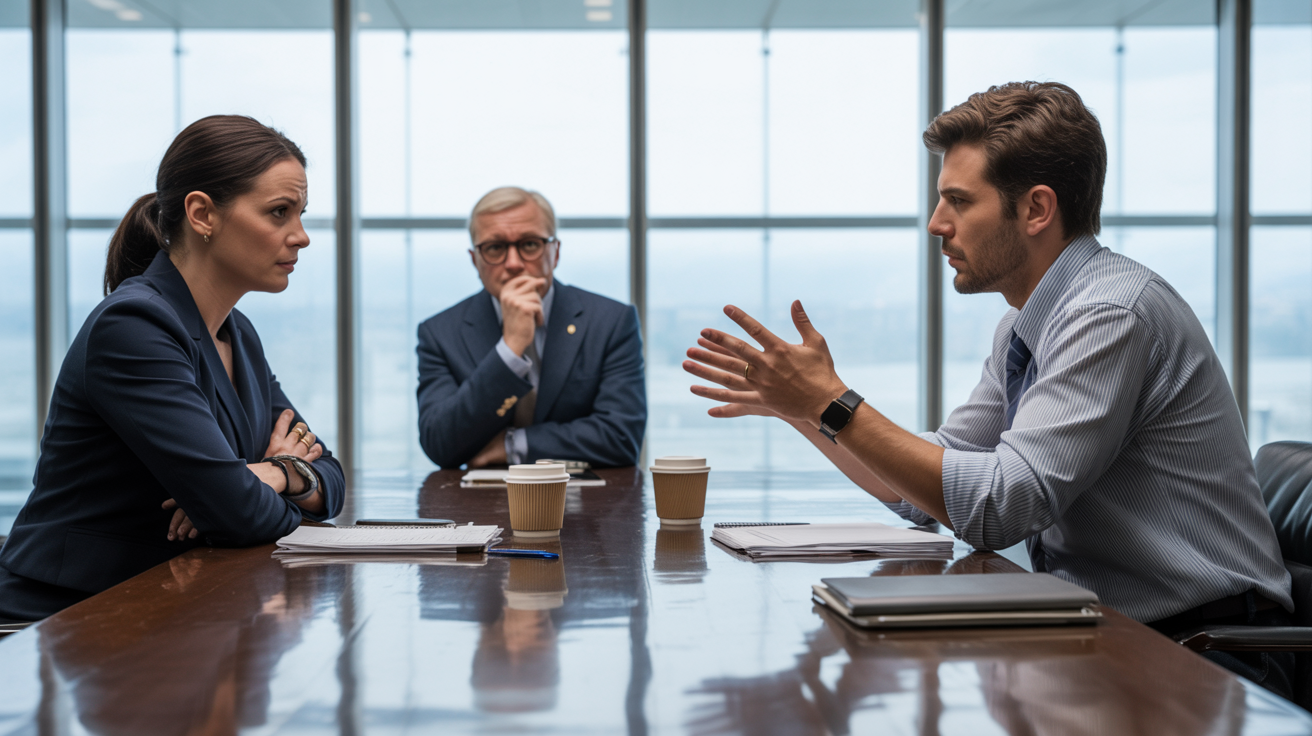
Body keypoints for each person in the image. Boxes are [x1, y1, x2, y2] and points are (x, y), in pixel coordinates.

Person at [682, 82, 1293, 690]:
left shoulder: (1111, 313)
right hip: (1109, 637)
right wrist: (804, 409)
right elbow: (922, 489)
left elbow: (999, 507)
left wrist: (829, 402)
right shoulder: (1027, 323)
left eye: (958, 201)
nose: (935, 223)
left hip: (1204, 656)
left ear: (1036, 210)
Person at [0, 115, 345, 623]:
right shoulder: (133, 325)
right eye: (279, 213)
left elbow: (331, 477)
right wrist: (277, 477)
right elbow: (239, 514)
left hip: (169, 607)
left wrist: (265, 476)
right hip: (68, 618)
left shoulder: (236, 331)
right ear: (202, 214)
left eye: (300, 214)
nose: (301, 236)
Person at [416, 187, 645, 469]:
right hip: (476, 507)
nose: (513, 263)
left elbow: (622, 438)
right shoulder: (439, 333)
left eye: (529, 244)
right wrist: (510, 350)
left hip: (589, 505)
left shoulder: (611, 321)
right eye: (495, 248)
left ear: (555, 252)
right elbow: (439, 443)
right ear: (475, 260)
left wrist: (513, 445)